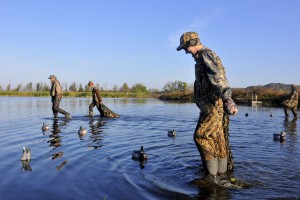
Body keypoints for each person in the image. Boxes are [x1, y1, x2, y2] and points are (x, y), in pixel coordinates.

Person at [177, 32, 238, 184]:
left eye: (185, 48)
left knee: (201, 136)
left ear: (192, 43)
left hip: (211, 106)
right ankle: (222, 175)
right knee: (217, 138)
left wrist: (228, 100)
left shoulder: (206, 55)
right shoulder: (205, 56)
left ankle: (211, 177)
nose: (185, 51)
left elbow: (218, 78)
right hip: (213, 106)